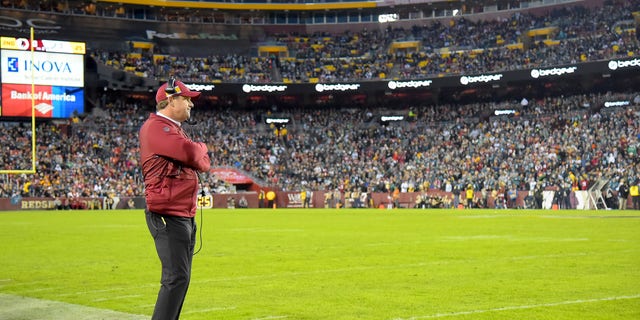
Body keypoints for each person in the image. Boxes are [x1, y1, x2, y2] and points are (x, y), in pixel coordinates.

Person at [139, 78, 211, 320]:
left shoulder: (173, 129)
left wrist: (198, 152)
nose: (191, 103)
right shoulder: (157, 127)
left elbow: (203, 164)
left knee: (181, 278)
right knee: (175, 278)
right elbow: (193, 153)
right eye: (187, 98)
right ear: (171, 99)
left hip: (182, 213)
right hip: (168, 213)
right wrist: (201, 147)